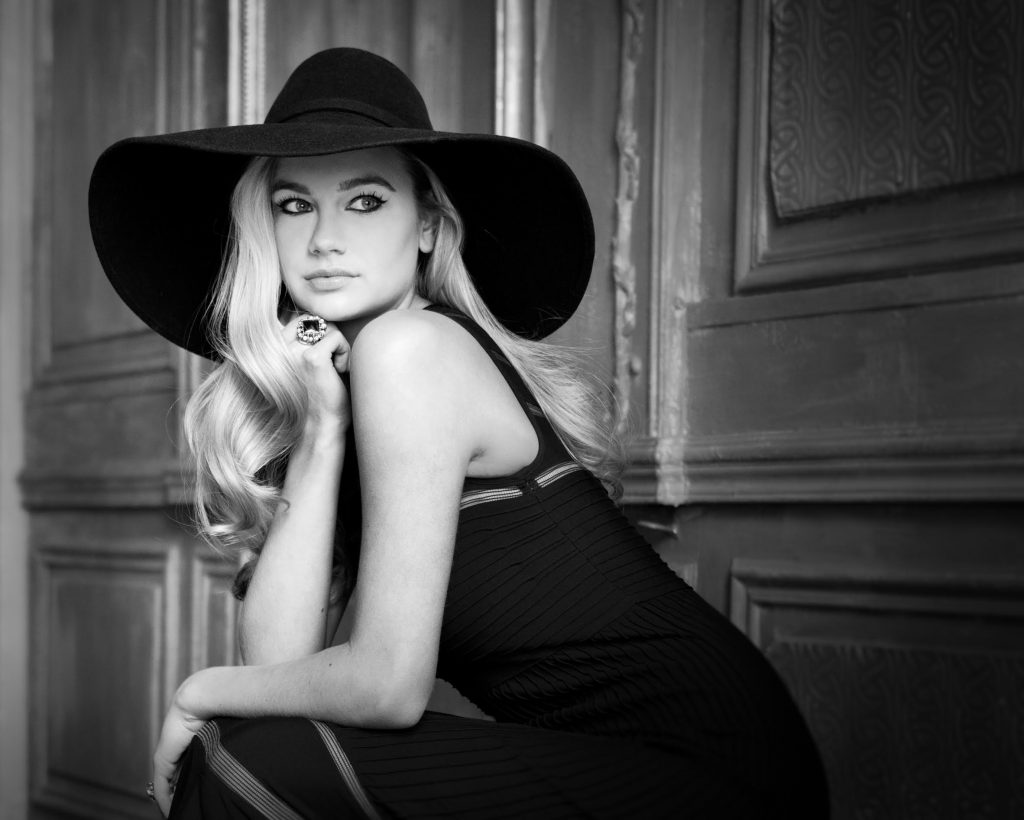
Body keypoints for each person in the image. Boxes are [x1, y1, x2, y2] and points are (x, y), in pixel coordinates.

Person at [89, 48, 829, 819]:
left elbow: (385, 687)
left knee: (242, 759)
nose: (324, 239)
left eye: (365, 200)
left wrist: (197, 692)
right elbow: (281, 669)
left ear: (428, 227)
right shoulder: (348, 388)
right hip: (612, 760)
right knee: (249, 752)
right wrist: (320, 428)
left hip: (711, 764)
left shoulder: (411, 350)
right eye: (294, 205)